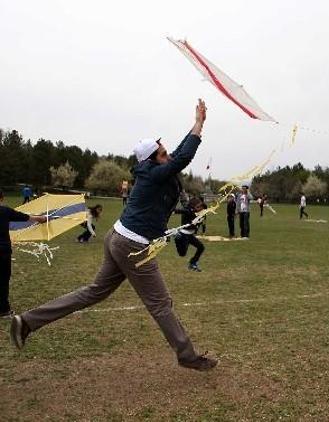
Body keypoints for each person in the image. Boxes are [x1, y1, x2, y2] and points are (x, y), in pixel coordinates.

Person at [10, 99, 217, 371]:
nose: (167, 156)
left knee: (94, 292)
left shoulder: (153, 169)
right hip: (132, 245)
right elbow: (182, 157)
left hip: (118, 238)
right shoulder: (154, 173)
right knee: (160, 303)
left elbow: (177, 155)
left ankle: (27, 322)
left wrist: (196, 124)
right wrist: (199, 124)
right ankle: (187, 355)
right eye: (163, 153)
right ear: (152, 159)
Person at [1, 189, 48, 318]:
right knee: (3, 280)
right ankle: (3, 310)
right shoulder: (5, 211)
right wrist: (41, 218)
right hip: (3, 252)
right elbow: (25, 217)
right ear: (2, 198)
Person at [174, 197, 206, 272]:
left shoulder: (201, 213)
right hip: (183, 234)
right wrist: (172, 210)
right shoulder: (189, 211)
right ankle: (176, 238)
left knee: (201, 247)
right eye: (198, 207)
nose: (201, 208)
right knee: (182, 254)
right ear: (194, 206)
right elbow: (180, 211)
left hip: (190, 235)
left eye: (201, 207)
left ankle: (193, 263)